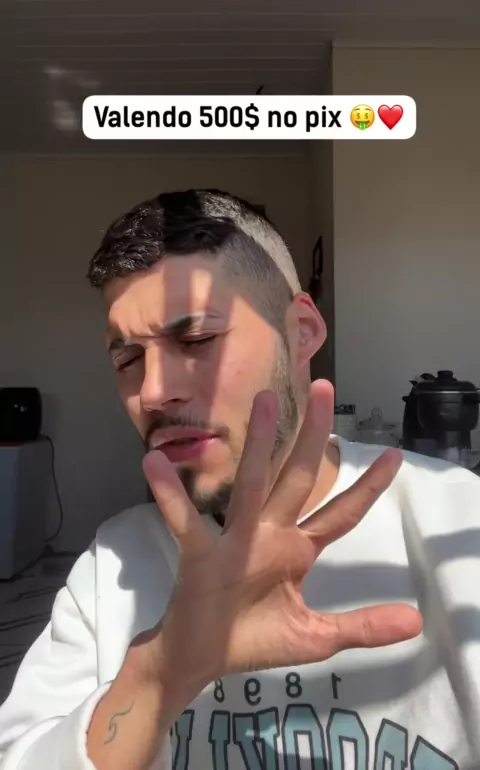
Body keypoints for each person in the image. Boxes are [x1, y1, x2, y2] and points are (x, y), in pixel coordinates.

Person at [0, 189, 479, 770]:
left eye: (196, 340)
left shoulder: (459, 525)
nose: (152, 392)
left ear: (302, 332)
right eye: (128, 360)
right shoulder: (115, 565)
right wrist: (157, 674)